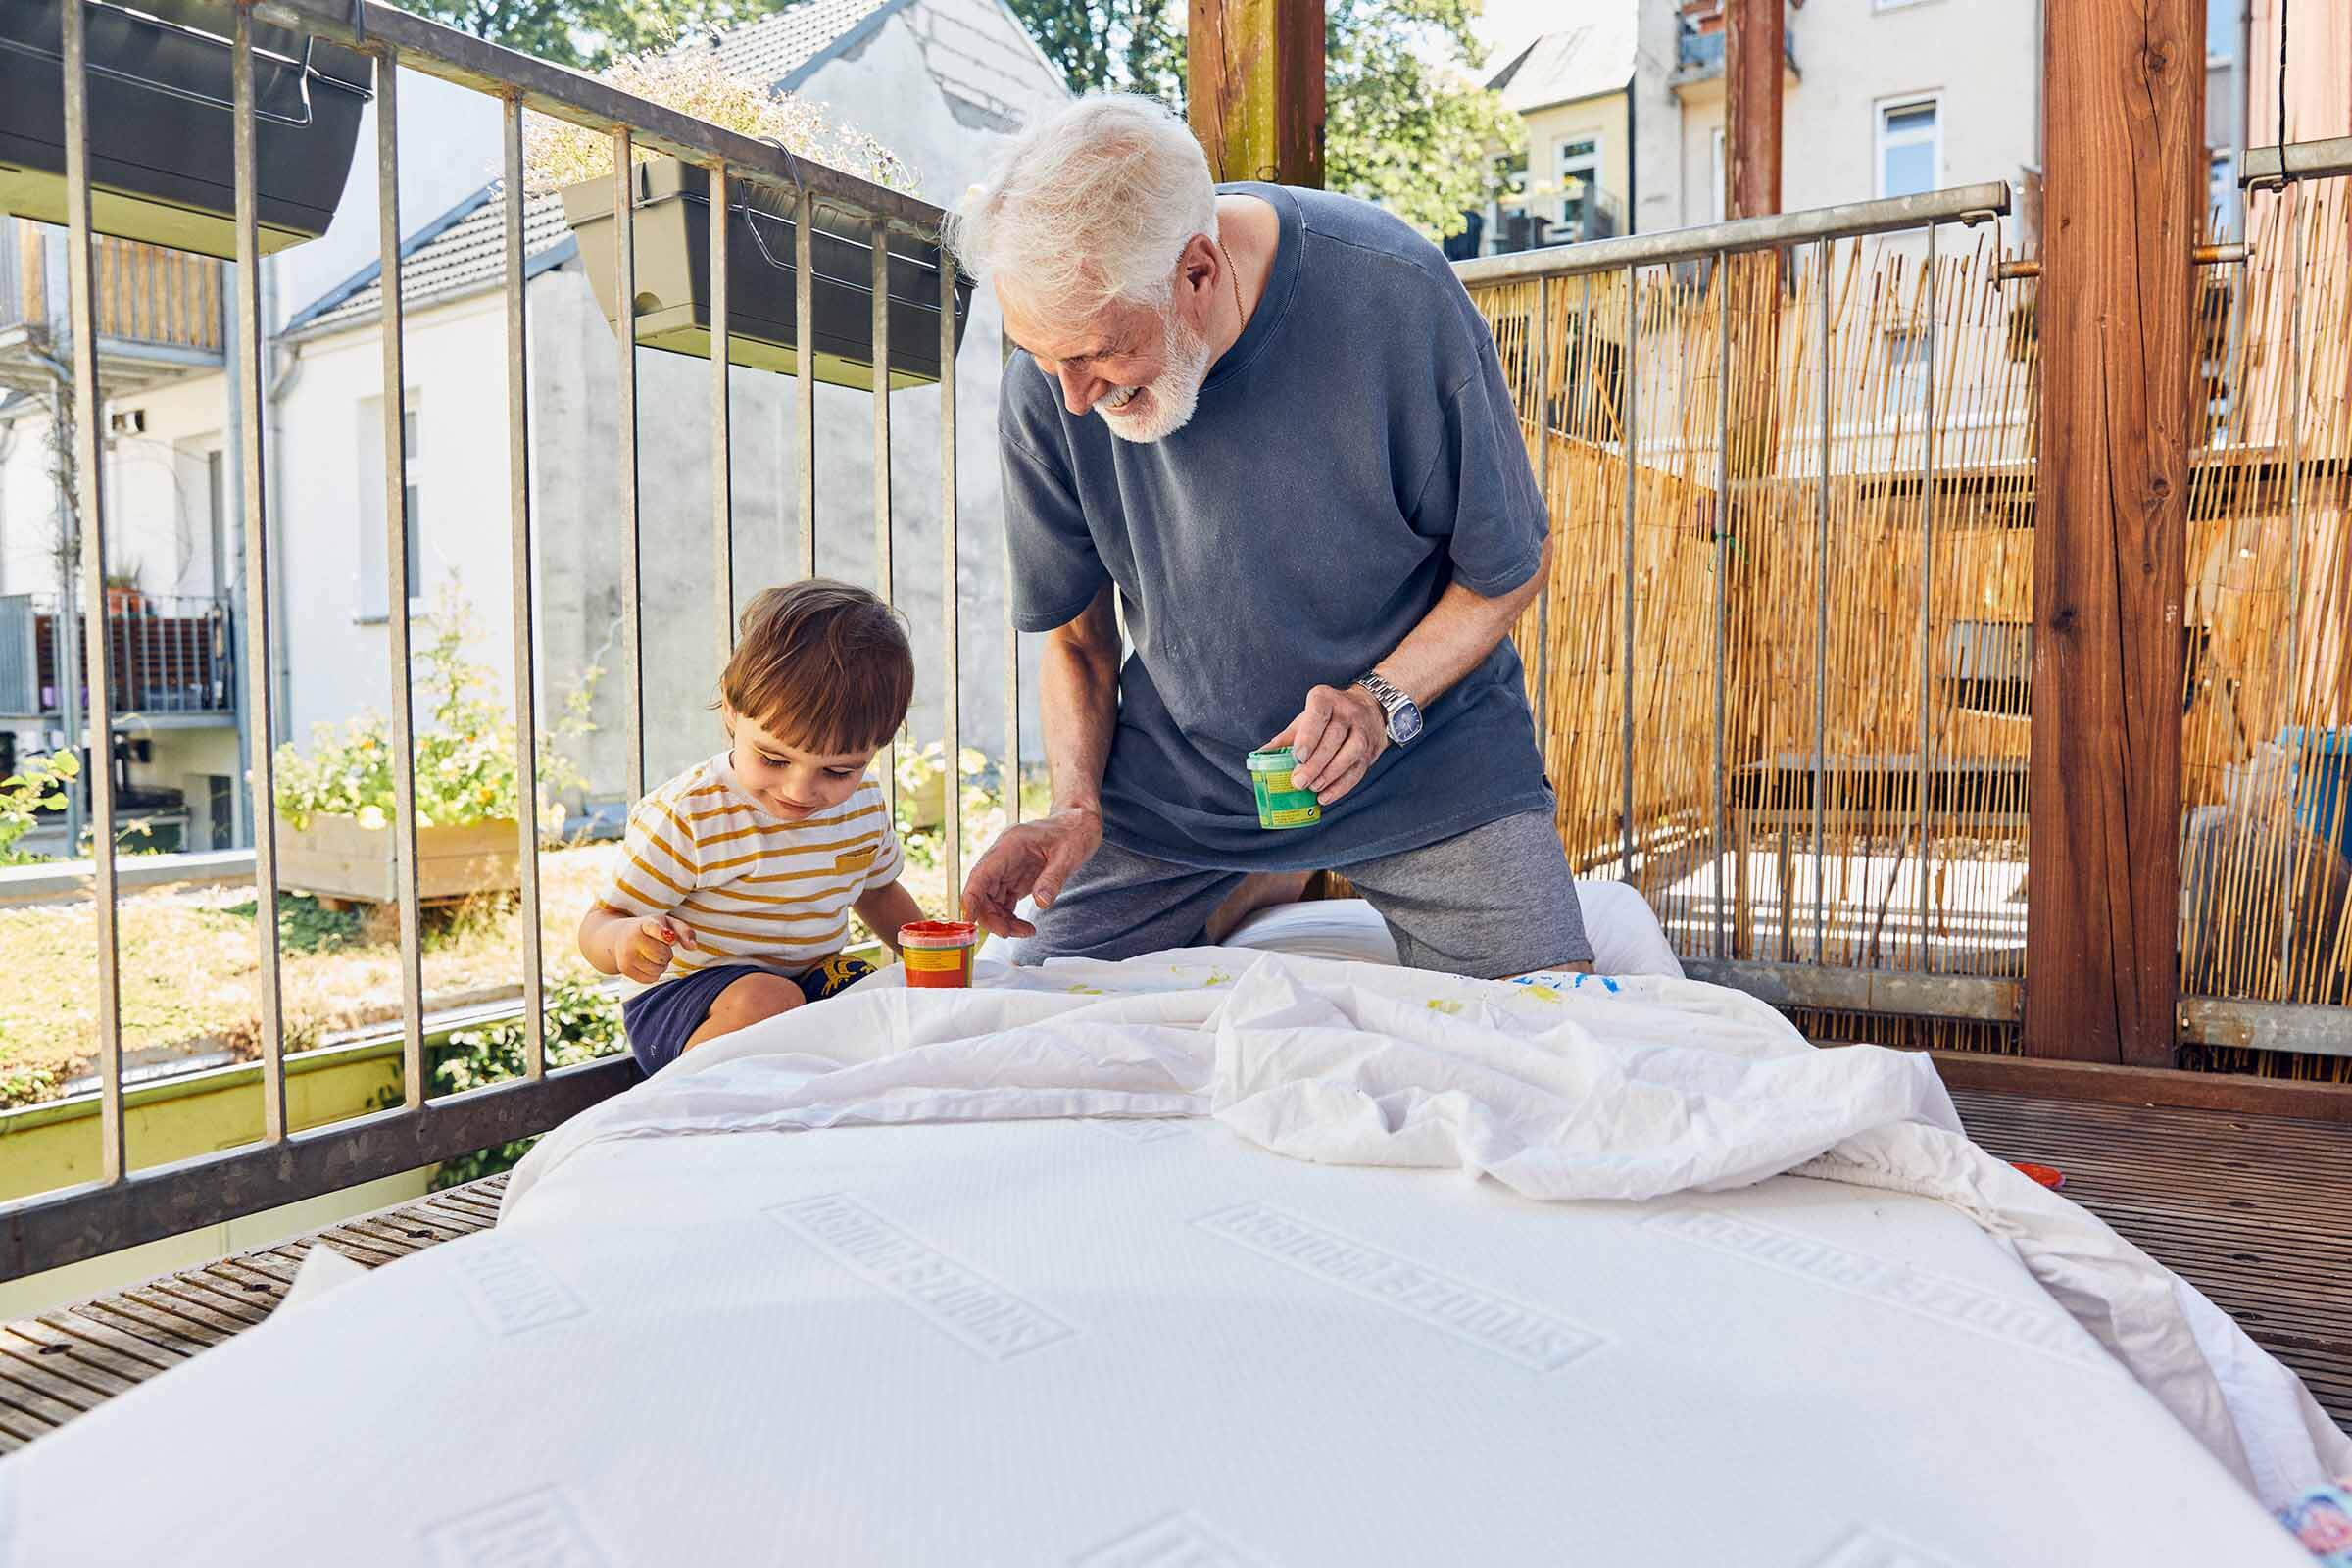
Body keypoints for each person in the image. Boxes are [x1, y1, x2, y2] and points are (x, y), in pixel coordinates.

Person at [944, 93, 1593, 978]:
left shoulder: (1397, 296)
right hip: (1180, 786)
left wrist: (1378, 703)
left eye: (1098, 353)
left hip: (1426, 755)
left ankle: (1268, 878)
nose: (1072, 398)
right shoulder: (1056, 377)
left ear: (1199, 271)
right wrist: (1075, 806)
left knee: (1552, 1017)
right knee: (1040, 993)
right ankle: (1257, 877)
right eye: (1041, 355)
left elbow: (1509, 568)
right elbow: (1080, 643)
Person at [579, 581, 926, 1072]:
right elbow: (600, 923)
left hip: (806, 983)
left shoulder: (862, 807)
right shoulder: (690, 814)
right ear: (732, 710)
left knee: (870, 996)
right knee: (768, 999)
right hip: (687, 1002)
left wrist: (934, 956)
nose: (800, 791)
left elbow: (879, 891)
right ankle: (695, 1105)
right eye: (772, 758)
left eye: (838, 771)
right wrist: (625, 941)